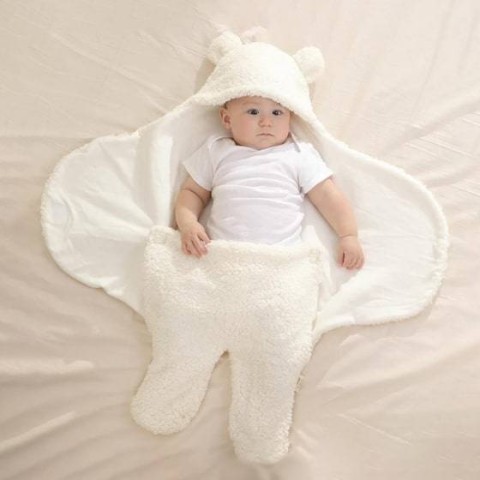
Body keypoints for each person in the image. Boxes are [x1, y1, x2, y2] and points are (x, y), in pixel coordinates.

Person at [174, 95, 364, 269]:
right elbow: (193, 192)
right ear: (227, 119)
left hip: (280, 258)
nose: (266, 122)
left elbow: (327, 195)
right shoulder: (216, 151)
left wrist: (348, 235)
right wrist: (188, 223)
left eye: (277, 113)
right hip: (223, 255)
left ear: (290, 118)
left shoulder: (297, 154)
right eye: (253, 112)